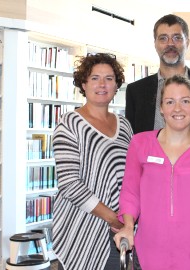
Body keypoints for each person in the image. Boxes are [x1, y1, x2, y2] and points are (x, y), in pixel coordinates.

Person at [115, 75, 190, 270]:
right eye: (170, 102)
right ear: (161, 108)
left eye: (185, 101)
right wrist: (127, 225)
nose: (177, 108)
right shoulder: (140, 144)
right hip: (149, 251)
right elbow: (130, 193)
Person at [51, 53, 133, 270]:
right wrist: (112, 218)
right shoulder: (69, 124)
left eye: (109, 78)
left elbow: (133, 175)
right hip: (81, 228)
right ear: (83, 84)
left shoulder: (124, 125)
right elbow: (69, 184)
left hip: (120, 228)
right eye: (95, 78)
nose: (102, 84)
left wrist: (128, 218)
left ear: (117, 85)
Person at [125, 14, 190, 150]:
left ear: (187, 42)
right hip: (151, 170)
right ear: (155, 44)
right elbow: (131, 143)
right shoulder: (136, 91)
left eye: (177, 38)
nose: (170, 44)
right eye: (163, 38)